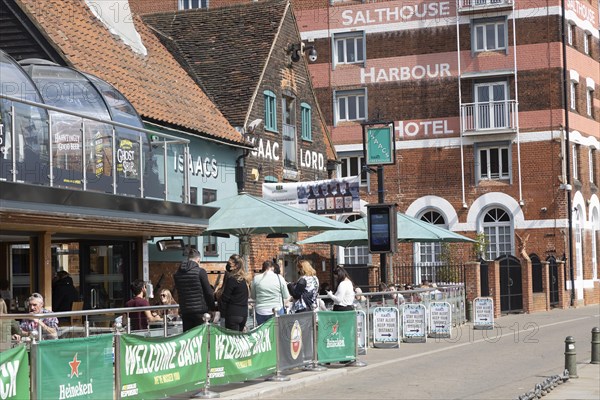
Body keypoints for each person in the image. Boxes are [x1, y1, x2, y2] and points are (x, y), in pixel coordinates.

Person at [173, 248, 215, 332]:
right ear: (198, 260)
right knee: (201, 338)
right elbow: (209, 292)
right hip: (200, 311)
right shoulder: (200, 272)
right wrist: (212, 308)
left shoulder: (177, 274)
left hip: (185, 311)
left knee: (189, 339)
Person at [251, 260, 290, 325]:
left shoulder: (256, 278)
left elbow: (253, 296)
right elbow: (286, 295)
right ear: (272, 268)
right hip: (277, 309)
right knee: (277, 333)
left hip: (261, 310)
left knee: (263, 333)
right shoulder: (279, 278)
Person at [219, 254, 249, 331]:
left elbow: (225, 297)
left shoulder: (232, 279)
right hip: (243, 314)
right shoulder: (244, 280)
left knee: (232, 339)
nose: (228, 266)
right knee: (238, 339)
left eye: (230, 263)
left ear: (236, 266)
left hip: (233, 313)